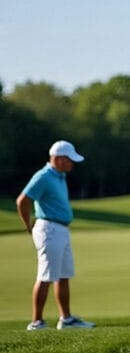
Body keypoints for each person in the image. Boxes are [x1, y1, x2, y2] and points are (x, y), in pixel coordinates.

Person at [16, 140, 96, 331]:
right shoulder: (43, 176)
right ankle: (37, 323)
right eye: (70, 160)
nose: (72, 164)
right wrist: (28, 225)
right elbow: (22, 201)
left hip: (60, 229)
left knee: (63, 275)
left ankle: (66, 320)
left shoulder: (59, 176)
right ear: (59, 159)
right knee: (45, 276)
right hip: (49, 229)